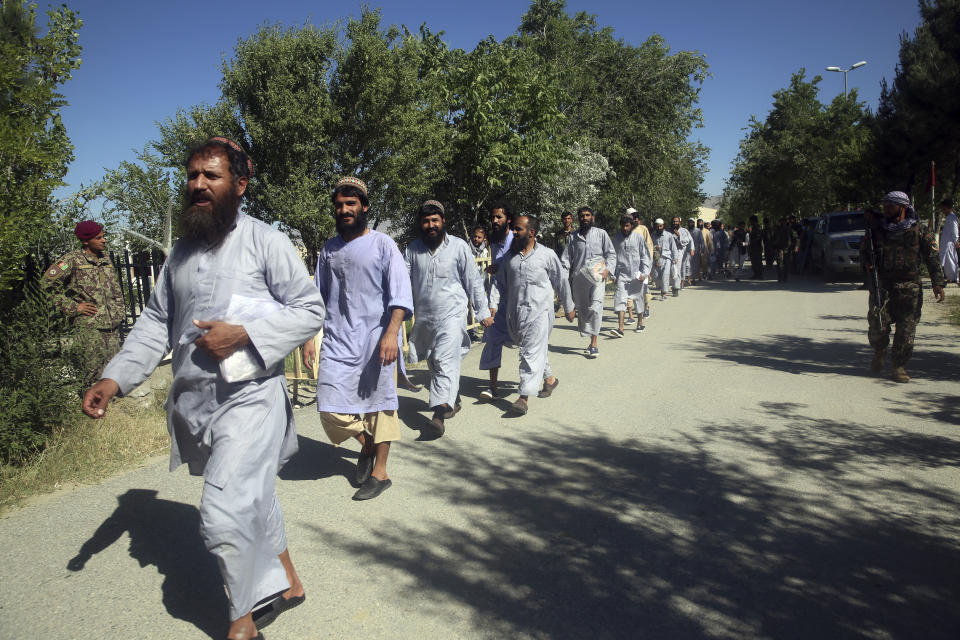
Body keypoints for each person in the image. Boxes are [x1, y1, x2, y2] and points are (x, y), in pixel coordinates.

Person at [81, 137, 325, 640]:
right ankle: (291, 584)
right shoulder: (180, 255)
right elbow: (154, 323)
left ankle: (241, 625)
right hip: (197, 403)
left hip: (251, 399)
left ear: (240, 184)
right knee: (252, 499)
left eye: (210, 176)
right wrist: (114, 377)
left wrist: (245, 334)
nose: (197, 185)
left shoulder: (266, 241)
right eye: (192, 175)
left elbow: (310, 310)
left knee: (221, 511)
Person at [303, 176, 413, 501]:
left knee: (381, 408)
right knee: (329, 409)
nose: (344, 210)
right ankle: (366, 445)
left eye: (351, 204)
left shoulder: (383, 244)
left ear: (364, 207)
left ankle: (380, 472)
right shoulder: (329, 250)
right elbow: (316, 298)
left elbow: (400, 294)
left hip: (376, 341)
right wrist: (310, 336)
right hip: (338, 342)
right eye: (339, 205)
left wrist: (391, 333)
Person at [404, 200, 490, 436]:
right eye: (426, 221)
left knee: (443, 358)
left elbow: (473, 280)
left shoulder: (459, 247)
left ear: (443, 222)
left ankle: (438, 416)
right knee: (434, 361)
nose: (431, 225)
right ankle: (455, 399)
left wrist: (482, 311)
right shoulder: (412, 250)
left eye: (435, 220)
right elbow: (401, 282)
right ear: (421, 224)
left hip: (452, 314)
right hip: (424, 318)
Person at [483, 215, 574, 415]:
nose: (514, 233)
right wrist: (493, 305)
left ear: (531, 233)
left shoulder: (547, 255)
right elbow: (499, 282)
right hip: (516, 314)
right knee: (531, 349)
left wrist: (568, 307)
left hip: (541, 313)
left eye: (518, 229)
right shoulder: (510, 258)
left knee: (530, 352)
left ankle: (523, 397)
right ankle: (550, 379)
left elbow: (561, 281)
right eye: (514, 229)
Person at [862, 191, 945, 383]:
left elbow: (932, 259)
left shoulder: (919, 230)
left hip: (910, 286)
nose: (886, 209)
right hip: (883, 285)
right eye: (885, 205)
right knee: (877, 323)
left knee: (906, 329)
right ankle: (880, 350)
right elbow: (865, 252)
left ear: (903, 207)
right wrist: (866, 264)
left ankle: (898, 366)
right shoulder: (876, 230)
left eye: (891, 205)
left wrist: (938, 283)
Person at [45, 220, 126, 384]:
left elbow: (114, 288)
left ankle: (112, 408)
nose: (104, 240)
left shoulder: (106, 259)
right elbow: (46, 286)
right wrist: (74, 307)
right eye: (99, 237)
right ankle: (89, 407)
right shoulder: (72, 260)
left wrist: (120, 310)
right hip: (90, 327)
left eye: (103, 236)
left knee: (114, 372)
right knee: (91, 374)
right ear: (85, 241)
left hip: (112, 325)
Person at [561, 206, 616, 358]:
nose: (584, 218)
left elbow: (611, 255)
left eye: (587, 215)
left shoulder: (601, 234)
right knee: (584, 310)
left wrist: (607, 270)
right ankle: (588, 333)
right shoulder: (573, 237)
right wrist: (563, 277)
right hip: (579, 280)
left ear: (592, 217)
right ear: (578, 218)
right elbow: (566, 259)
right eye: (582, 216)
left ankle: (594, 343)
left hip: (598, 277)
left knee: (596, 306)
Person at [479, 202, 516, 399]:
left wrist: (499, 268)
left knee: (528, 342)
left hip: (518, 299)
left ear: (508, 219)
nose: (494, 221)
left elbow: (515, 269)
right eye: (493, 217)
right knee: (493, 338)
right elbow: (496, 278)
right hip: (498, 299)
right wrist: (491, 304)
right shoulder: (494, 242)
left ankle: (547, 378)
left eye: (499, 217)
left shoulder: (516, 239)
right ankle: (492, 387)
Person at [612, 215, 652, 334]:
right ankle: (620, 328)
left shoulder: (638, 238)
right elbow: (612, 256)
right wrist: (613, 274)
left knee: (637, 298)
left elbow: (645, 256)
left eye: (627, 226)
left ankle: (640, 323)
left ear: (632, 226)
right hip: (622, 274)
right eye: (623, 226)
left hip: (636, 274)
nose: (624, 228)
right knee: (620, 299)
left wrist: (644, 274)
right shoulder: (616, 239)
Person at [628, 208, 655, 317]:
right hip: (630, 265)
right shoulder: (625, 230)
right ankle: (631, 314)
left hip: (643, 264)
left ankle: (646, 307)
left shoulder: (643, 229)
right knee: (630, 288)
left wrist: (648, 265)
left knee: (644, 287)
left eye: (634, 218)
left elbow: (649, 246)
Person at [651, 218, 679, 300]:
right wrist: (656, 247)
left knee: (665, 275)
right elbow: (649, 246)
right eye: (657, 226)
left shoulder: (668, 235)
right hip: (656, 259)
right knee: (656, 276)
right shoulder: (652, 236)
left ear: (663, 226)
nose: (659, 228)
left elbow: (673, 247)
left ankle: (664, 294)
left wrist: (675, 257)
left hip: (667, 258)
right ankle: (661, 288)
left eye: (661, 226)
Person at [670, 216, 694, 294]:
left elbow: (688, 240)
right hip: (670, 252)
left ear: (680, 222)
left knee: (679, 268)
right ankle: (672, 284)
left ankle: (677, 286)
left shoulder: (684, 231)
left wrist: (679, 235)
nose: (675, 223)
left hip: (680, 251)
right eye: (674, 221)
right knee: (671, 269)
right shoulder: (668, 231)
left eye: (677, 221)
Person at [772, 217, 798, 283]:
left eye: (784, 221)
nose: (783, 223)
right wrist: (773, 246)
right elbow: (773, 239)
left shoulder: (790, 230)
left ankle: (785, 278)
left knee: (786, 264)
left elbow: (796, 238)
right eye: (782, 222)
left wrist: (795, 247)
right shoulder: (777, 230)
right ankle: (780, 278)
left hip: (787, 249)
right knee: (779, 263)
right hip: (779, 249)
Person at [939, 199, 958, 285]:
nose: (942, 210)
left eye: (943, 208)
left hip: (949, 242)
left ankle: (953, 277)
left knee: (950, 259)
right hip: (946, 241)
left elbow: (955, 230)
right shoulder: (949, 217)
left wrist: (956, 240)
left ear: (947, 208)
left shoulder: (952, 217)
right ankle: (950, 277)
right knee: (947, 260)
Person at [687, 218, 704, 283]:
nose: (690, 224)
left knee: (695, 265)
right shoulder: (686, 231)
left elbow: (702, 241)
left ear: (694, 223)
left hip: (696, 251)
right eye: (689, 222)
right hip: (687, 251)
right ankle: (689, 278)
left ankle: (693, 278)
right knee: (688, 265)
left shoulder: (698, 231)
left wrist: (702, 249)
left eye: (692, 222)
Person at [748, 214, 764, 279]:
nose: (750, 222)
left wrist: (751, 242)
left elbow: (758, 237)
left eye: (751, 221)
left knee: (757, 261)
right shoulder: (754, 227)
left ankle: (759, 275)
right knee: (754, 261)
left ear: (753, 220)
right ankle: (756, 274)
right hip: (754, 247)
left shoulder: (757, 227)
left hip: (756, 247)